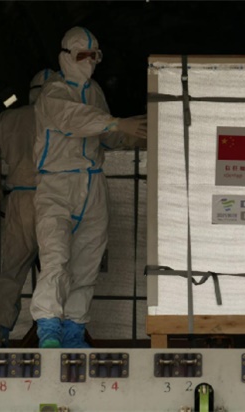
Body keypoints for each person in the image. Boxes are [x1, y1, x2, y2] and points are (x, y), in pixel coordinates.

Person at [30, 26, 147, 348]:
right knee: (55, 257)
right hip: (57, 184)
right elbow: (73, 119)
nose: (90, 62)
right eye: (83, 55)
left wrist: (134, 134)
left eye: (95, 56)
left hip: (92, 183)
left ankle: (73, 331)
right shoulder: (53, 92)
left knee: (87, 261)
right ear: (66, 56)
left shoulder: (94, 91)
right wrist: (115, 122)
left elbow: (105, 135)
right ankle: (49, 328)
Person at [0, 69, 54, 347]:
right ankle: (55, 332)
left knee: (11, 270)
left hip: (21, 200)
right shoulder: (64, 117)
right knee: (59, 268)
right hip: (57, 200)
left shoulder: (10, 119)